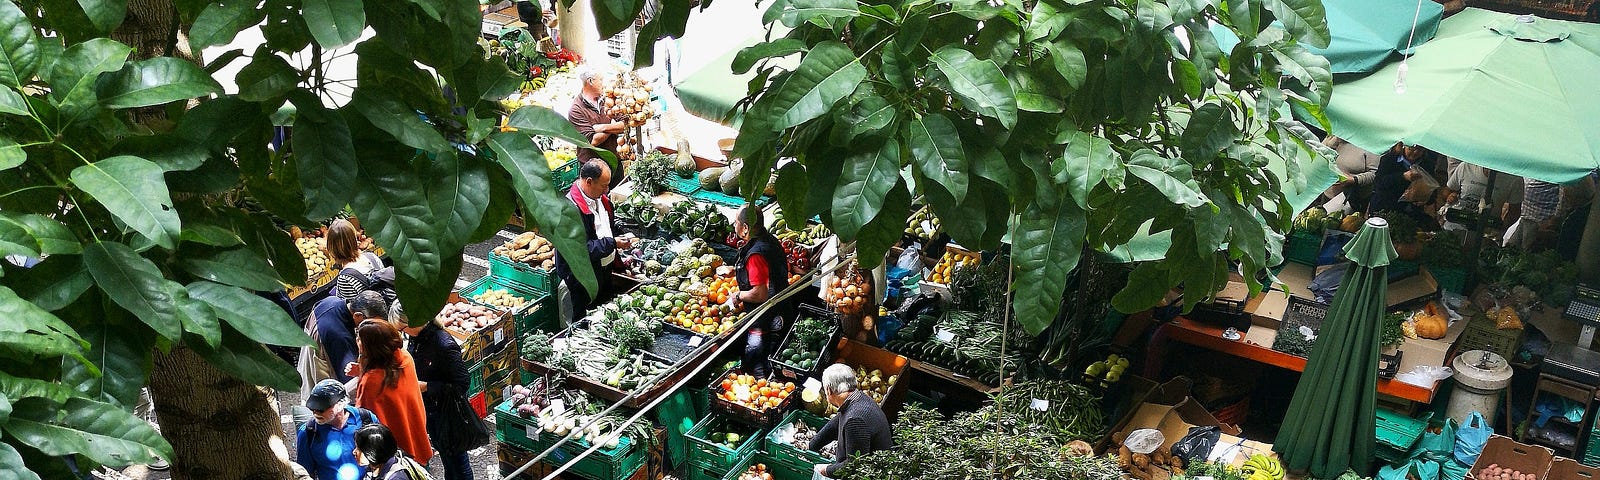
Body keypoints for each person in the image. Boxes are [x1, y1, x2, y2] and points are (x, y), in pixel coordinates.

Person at [392, 302, 478, 480]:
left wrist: (427, 387)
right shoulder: (418, 338)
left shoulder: (443, 344)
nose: (403, 334)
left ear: (415, 323)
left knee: (458, 462)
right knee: (449, 460)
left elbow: (462, 383)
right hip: (433, 412)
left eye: (403, 329)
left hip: (448, 414)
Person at [344, 295, 432, 466]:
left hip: (394, 453)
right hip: (416, 437)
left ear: (371, 346)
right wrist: (362, 370)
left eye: (360, 339)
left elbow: (363, 417)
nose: (357, 342)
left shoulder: (371, 381)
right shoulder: (405, 358)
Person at [554, 159, 634, 325]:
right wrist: (613, 243)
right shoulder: (568, 211)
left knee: (602, 318)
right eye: (603, 185)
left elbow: (607, 226)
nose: (607, 190)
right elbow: (580, 251)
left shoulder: (600, 199)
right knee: (582, 323)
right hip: (581, 279)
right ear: (589, 182)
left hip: (603, 272)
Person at [298, 292, 391, 427]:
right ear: (358, 315)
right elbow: (348, 384)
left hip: (308, 380)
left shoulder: (329, 301)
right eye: (370, 322)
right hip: (325, 402)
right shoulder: (340, 337)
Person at [723, 205, 791, 377]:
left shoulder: (755, 255)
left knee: (758, 364)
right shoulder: (769, 240)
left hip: (765, 317)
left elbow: (759, 293)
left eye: (736, 222)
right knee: (773, 355)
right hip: (781, 309)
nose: (733, 225)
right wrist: (736, 270)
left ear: (745, 228)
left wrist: (738, 295)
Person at [808, 363, 892, 478]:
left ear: (828, 390)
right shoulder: (858, 398)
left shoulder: (855, 420)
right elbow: (835, 424)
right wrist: (811, 446)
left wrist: (825, 470)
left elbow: (854, 466)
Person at [297, 379, 382, 480]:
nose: (316, 412)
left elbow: (382, 456)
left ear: (341, 404)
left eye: (321, 408)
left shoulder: (366, 419)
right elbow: (305, 473)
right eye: (313, 408)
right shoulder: (308, 432)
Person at [568, 66, 627, 188]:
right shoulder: (576, 109)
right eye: (601, 80)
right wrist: (612, 126)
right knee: (598, 203)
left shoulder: (607, 100)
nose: (603, 83)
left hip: (614, 162)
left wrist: (602, 127)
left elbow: (624, 125)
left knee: (617, 199)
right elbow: (592, 141)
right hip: (593, 169)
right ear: (590, 81)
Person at [330, 219, 392, 304]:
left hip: (373, 316)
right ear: (355, 239)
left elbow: (355, 313)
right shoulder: (372, 257)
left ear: (331, 248)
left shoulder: (345, 279)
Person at [354, 424, 432, 480]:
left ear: (373, 452)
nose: (354, 452)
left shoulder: (396, 477)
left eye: (359, 449)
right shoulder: (374, 467)